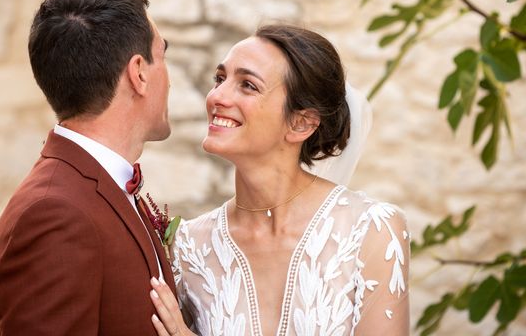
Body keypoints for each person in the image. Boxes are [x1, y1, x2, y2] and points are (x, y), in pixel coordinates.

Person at [149, 24, 410, 335]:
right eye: (219, 79)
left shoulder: (371, 231)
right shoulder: (189, 246)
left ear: (300, 124)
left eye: (247, 85)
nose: (217, 96)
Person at [0, 0, 176, 335]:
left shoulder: (95, 188)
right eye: (162, 56)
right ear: (139, 73)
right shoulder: (54, 215)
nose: (170, 79)